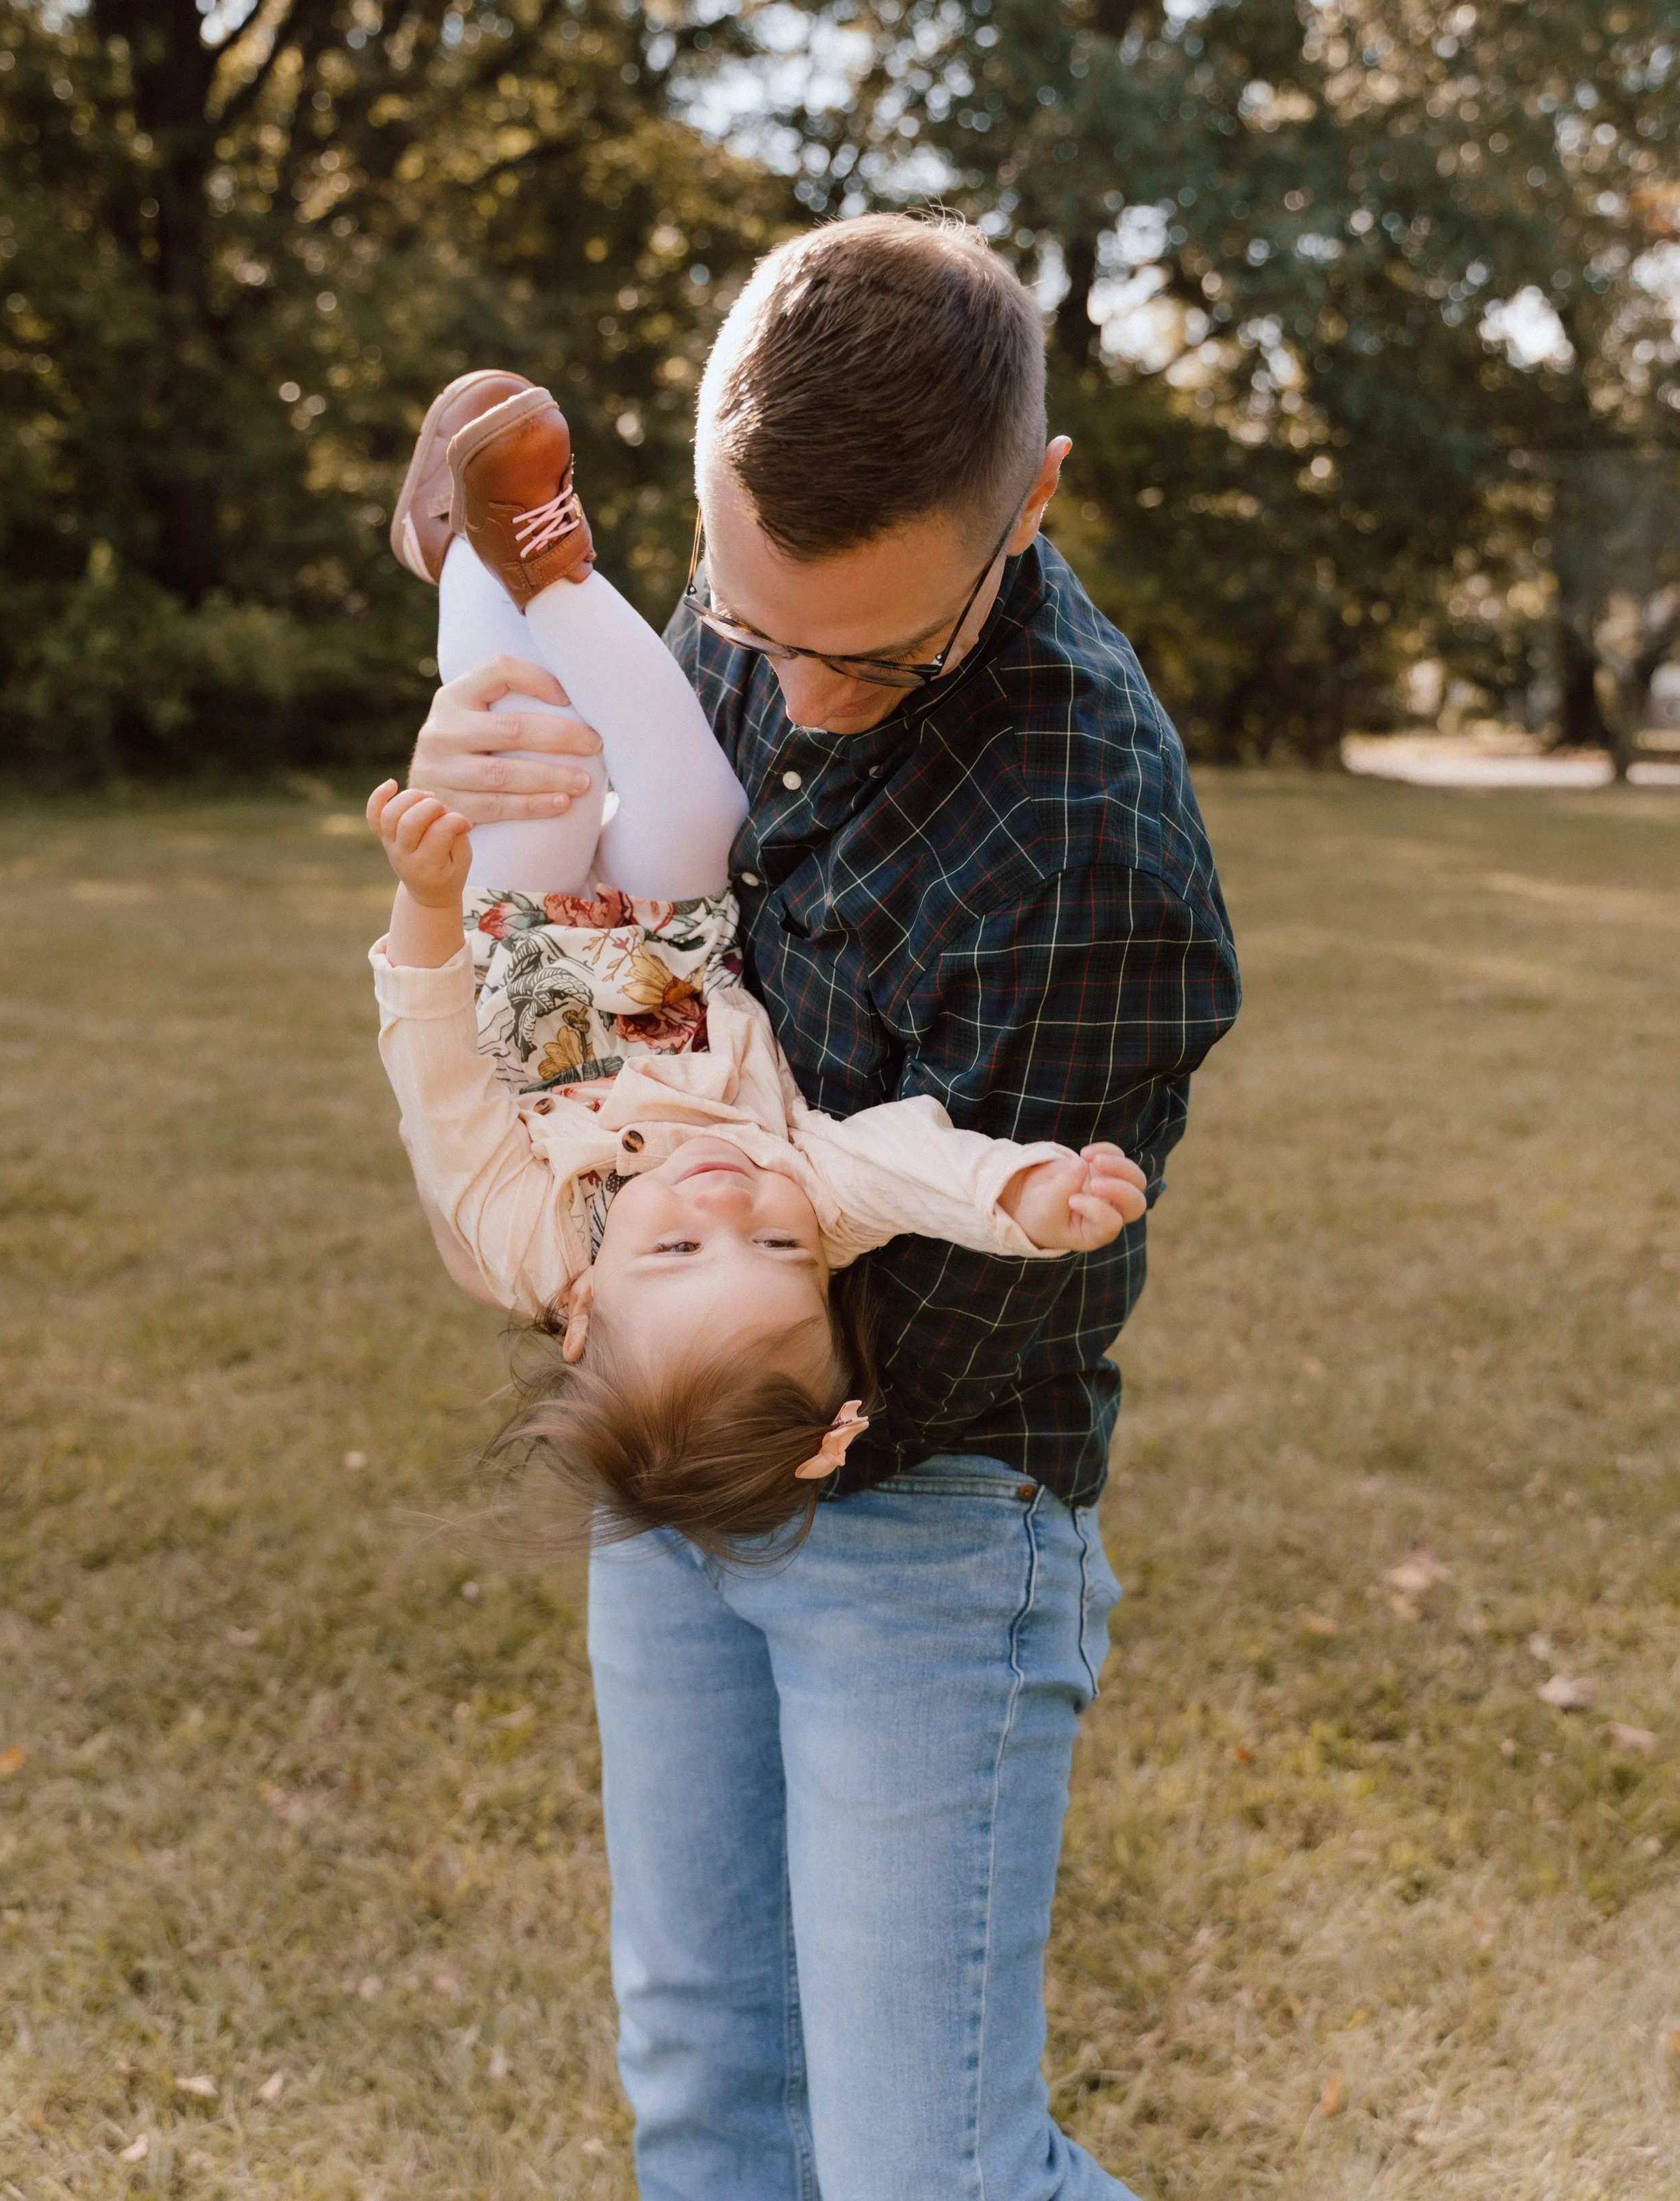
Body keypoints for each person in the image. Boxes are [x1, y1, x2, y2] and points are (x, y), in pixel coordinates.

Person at [401, 215, 1241, 2201]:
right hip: (681, 1415)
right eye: (738, 611)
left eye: (858, 650)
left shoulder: (1085, 848)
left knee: (924, 2172)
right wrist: (492, 778)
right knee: (705, 2093)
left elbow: (943, 1269)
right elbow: (612, 904)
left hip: (919, 1490)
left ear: (1026, 506)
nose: (782, 688)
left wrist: (665, 1244)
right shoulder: (765, 579)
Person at [365, 391, 1151, 1549]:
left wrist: (426, 903)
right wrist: (1024, 1199)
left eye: (677, 1250)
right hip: (675, 937)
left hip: (512, 948)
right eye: (777, 1249)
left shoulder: (528, 1248)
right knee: (699, 800)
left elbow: (433, 1083)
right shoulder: (809, 1190)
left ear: (583, 1317)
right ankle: (552, 565)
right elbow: (907, 1166)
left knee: (551, 767)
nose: (728, 1202)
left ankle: (468, 567)